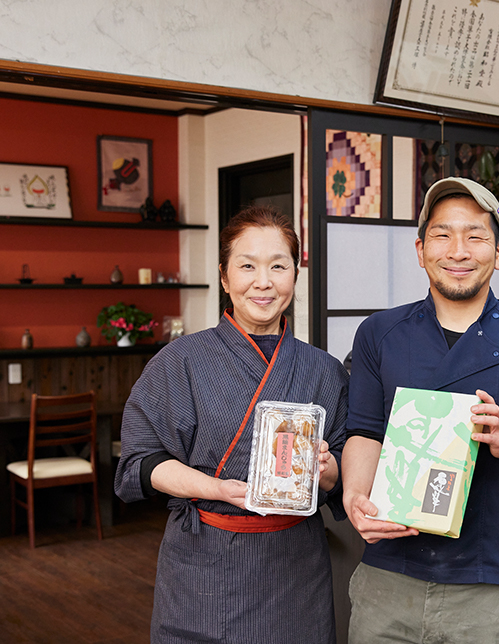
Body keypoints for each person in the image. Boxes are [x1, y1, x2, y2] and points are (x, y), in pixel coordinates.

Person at [342, 177, 499, 644]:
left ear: (498, 252)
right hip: (388, 579)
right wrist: (354, 497)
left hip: (487, 586)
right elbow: (363, 431)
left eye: (475, 236)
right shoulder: (379, 333)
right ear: (420, 250)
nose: (458, 251)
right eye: (442, 235)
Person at [115, 205, 348, 644]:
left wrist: (328, 468)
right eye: (247, 266)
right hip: (204, 563)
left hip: (296, 566)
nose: (264, 282)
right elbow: (141, 464)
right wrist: (217, 489)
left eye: (278, 266)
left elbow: (345, 465)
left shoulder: (325, 370)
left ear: (294, 277)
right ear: (224, 277)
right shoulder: (179, 361)